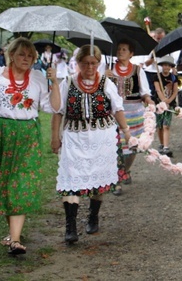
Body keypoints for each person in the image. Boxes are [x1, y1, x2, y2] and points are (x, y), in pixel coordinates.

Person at [0, 37, 60, 255]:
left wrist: (54, 82)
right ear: (12, 55)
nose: (26, 59)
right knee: (1, 184)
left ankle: (16, 240)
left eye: (30, 56)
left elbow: (55, 107)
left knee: (19, 184)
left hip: (26, 135)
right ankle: (13, 232)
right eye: (22, 54)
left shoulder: (38, 78)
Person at [51, 44, 132, 244]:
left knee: (98, 178)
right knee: (72, 180)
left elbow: (117, 109)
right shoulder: (68, 82)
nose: (89, 67)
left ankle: (93, 216)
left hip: (101, 137)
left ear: (98, 63)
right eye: (85, 63)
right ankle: (70, 226)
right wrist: (55, 137)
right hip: (74, 137)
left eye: (93, 63)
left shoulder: (106, 83)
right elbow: (58, 111)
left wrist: (127, 132)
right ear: (78, 63)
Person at [106, 40, 153, 196]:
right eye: (119, 49)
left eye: (124, 49)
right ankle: (116, 179)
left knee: (132, 147)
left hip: (134, 113)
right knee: (115, 146)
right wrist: (103, 78)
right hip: (113, 113)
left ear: (131, 53)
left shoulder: (138, 70)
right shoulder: (108, 69)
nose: (120, 51)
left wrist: (149, 100)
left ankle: (126, 170)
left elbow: (144, 92)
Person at [153, 56, 179, 156]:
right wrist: (164, 101)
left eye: (168, 65)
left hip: (170, 105)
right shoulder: (157, 77)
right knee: (159, 126)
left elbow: (175, 90)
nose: (166, 67)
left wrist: (169, 101)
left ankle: (166, 147)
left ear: (171, 67)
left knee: (166, 125)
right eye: (164, 65)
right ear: (161, 66)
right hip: (159, 104)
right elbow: (158, 90)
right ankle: (161, 144)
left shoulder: (174, 77)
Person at [143, 28, 166, 99]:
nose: (160, 41)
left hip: (163, 73)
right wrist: (153, 58)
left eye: (162, 39)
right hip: (151, 73)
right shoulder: (150, 48)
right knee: (152, 93)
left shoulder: (167, 47)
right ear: (155, 38)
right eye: (158, 39)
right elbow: (146, 63)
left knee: (163, 93)